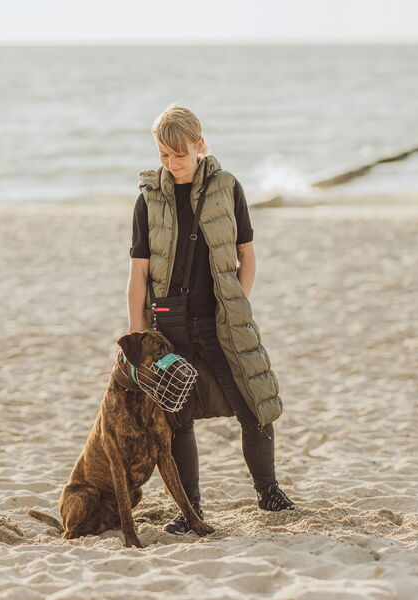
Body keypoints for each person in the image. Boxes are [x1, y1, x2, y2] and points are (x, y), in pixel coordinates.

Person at [127, 105, 296, 535]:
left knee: (255, 405)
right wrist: (137, 333)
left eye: (179, 153)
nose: (171, 163)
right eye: (164, 154)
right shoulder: (148, 199)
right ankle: (191, 509)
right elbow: (139, 273)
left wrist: (238, 302)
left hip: (221, 320)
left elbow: (247, 253)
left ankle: (269, 493)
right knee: (178, 419)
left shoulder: (227, 187)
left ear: (200, 145)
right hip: (170, 325)